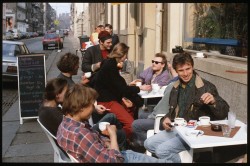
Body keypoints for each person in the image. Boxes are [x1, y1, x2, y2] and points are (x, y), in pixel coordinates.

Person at [144, 52, 230, 163]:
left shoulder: (206, 86)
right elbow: (171, 111)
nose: (185, 73)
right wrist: (166, 118)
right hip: (178, 129)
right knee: (148, 143)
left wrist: (214, 101)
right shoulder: (175, 87)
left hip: (195, 133)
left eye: (188, 69)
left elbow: (224, 112)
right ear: (175, 70)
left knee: (162, 151)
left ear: (192, 67)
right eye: (181, 70)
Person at [56, 84, 174, 163]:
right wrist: (112, 135)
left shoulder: (65, 124)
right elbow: (115, 161)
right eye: (92, 104)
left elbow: (91, 143)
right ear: (81, 108)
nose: (93, 108)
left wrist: (104, 141)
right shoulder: (80, 134)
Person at [38, 78, 126, 149]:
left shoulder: (46, 107)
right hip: (81, 136)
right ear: (58, 95)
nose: (69, 93)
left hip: (76, 137)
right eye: (67, 91)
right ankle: (122, 148)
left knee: (111, 118)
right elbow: (81, 123)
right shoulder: (53, 114)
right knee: (116, 124)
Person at [94, 43, 150, 139]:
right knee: (131, 125)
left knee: (131, 108)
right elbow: (120, 88)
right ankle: (121, 139)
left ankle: (127, 139)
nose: (126, 57)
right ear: (122, 54)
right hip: (108, 101)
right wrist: (140, 88)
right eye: (126, 54)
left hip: (109, 98)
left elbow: (115, 85)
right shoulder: (110, 65)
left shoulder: (109, 63)